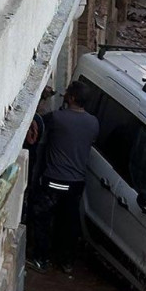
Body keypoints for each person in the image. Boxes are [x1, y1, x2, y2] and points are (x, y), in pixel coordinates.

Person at [26, 81, 99, 274]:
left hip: (54, 180)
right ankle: (66, 262)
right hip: (76, 184)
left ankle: (41, 259)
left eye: (67, 92)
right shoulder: (93, 123)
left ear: (72, 97)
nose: (64, 94)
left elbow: (35, 123)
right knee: (68, 222)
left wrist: (41, 98)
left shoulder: (57, 118)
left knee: (42, 218)